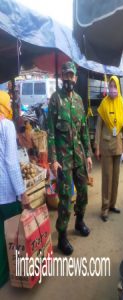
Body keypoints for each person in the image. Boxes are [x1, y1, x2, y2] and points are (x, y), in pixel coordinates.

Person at [47, 61, 93, 255]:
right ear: (62, 76)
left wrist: (89, 155)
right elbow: (50, 132)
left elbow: (84, 131)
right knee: (65, 200)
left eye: (71, 75)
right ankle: (62, 236)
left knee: (83, 193)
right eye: (65, 75)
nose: (68, 79)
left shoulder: (79, 101)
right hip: (63, 161)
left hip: (79, 157)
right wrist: (53, 159)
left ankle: (80, 221)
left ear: (75, 78)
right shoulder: (55, 100)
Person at [0, 91, 28, 287]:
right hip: (6, 194)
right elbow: (11, 163)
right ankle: (10, 273)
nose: (10, 104)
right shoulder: (6, 125)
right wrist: (22, 192)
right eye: (8, 102)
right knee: (11, 236)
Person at [95, 76, 123, 222]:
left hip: (118, 146)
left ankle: (113, 204)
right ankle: (105, 208)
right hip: (106, 146)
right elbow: (98, 128)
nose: (112, 89)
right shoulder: (104, 103)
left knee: (115, 178)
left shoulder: (121, 103)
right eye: (111, 86)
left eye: (115, 86)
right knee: (107, 178)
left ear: (118, 87)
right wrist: (96, 147)